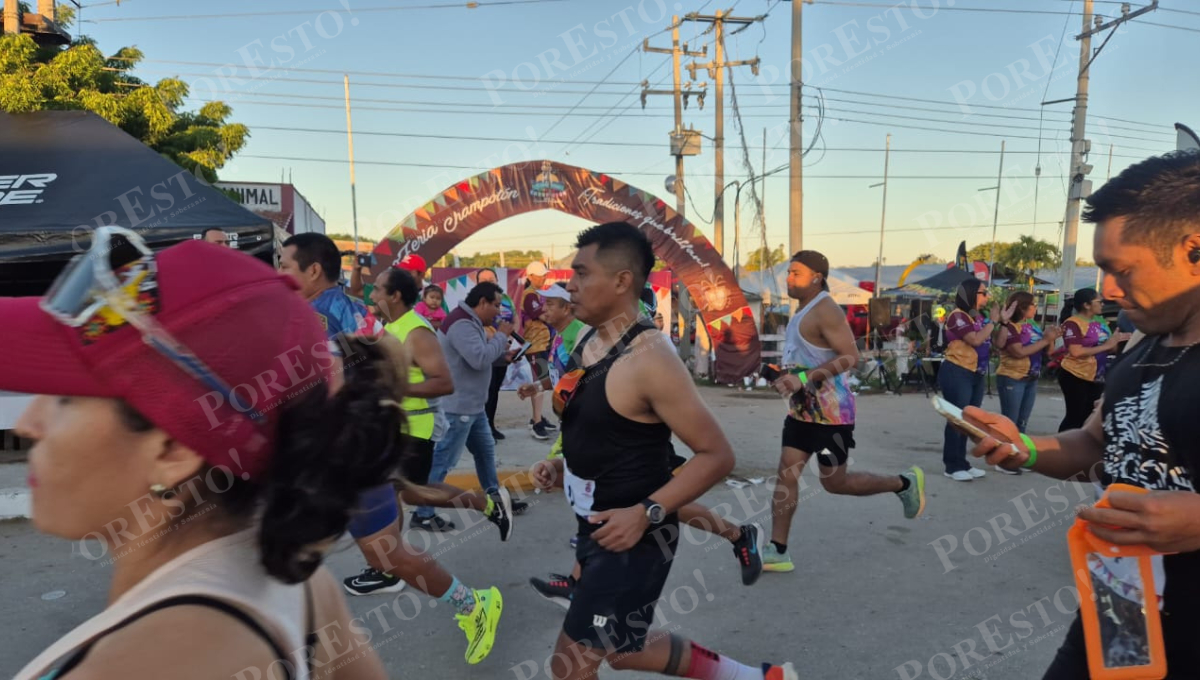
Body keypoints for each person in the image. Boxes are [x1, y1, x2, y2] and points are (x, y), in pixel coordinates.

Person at [6, 232, 394, 680]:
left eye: (64, 399)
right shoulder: (301, 586)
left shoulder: (141, 666)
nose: (27, 425)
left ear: (173, 450)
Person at [966, 150, 1200, 678]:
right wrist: (1024, 448)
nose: (1108, 289)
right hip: (1120, 610)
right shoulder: (1142, 346)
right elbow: (1095, 445)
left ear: (1194, 250)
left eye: (1122, 270)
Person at [530, 221, 797, 680]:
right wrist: (563, 465)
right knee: (623, 650)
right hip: (597, 527)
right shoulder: (591, 341)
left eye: (581, 273)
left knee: (569, 666)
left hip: (633, 539)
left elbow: (717, 455)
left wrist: (645, 514)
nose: (570, 285)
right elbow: (607, 428)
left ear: (621, 281)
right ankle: (758, 677)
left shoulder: (651, 359)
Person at [280, 234, 504, 664]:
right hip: (342, 447)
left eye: (284, 265)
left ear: (313, 270)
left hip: (347, 449)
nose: (278, 273)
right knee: (319, 546)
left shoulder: (326, 314)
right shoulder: (341, 311)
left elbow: (359, 372)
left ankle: (474, 604)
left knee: (383, 551)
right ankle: (297, 643)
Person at [337, 268, 513, 592]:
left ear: (395, 296)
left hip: (417, 426)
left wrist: (392, 388)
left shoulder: (417, 332)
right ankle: (388, 568)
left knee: (410, 492)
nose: (373, 295)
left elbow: (444, 383)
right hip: (394, 424)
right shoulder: (389, 326)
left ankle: (485, 505)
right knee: (396, 491)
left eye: (379, 290)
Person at [762, 250, 925, 573]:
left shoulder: (826, 309)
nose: (788, 278)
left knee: (835, 482)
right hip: (802, 413)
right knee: (786, 473)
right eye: (789, 272)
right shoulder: (801, 310)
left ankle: (903, 483)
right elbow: (808, 360)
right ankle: (778, 549)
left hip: (831, 417)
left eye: (796, 273)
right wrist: (786, 376)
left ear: (816, 278)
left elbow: (851, 356)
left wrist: (803, 378)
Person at [412, 282, 515, 532]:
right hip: (458, 408)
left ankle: (495, 499)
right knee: (443, 461)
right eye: (496, 305)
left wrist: (501, 355)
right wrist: (501, 336)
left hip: (472, 407)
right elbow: (478, 358)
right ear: (482, 303)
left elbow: (476, 356)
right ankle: (423, 513)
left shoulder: (469, 321)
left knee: (485, 453)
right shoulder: (461, 324)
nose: (498, 311)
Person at [937, 278, 998, 481]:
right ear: (971, 294)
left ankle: (962, 462)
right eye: (983, 293)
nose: (987, 296)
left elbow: (987, 341)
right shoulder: (958, 316)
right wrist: (993, 322)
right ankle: (952, 466)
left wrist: (1000, 321)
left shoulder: (978, 317)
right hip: (957, 371)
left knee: (969, 420)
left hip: (975, 372)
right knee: (957, 419)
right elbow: (975, 339)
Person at [993, 292, 1060, 475]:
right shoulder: (1010, 327)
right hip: (1012, 377)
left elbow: (1047, 351)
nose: (1036, 307)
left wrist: (1051, 338)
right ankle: (1003, 459)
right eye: (1033, 304)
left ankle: (1017, 456)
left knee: (1022, 422)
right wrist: (1045, 340)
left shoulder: (1032, 325)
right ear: (1022, 308)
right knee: (1010, 422)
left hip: (1031, 378)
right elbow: (1018, 352)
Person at [1057, 287, 1129, 432]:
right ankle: (1062, 443)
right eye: (1099, 301)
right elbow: (1075, 352)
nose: (1102, 304)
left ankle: (1081, 444)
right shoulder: (1073, 323)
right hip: (1075, 374)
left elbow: (1108, 347)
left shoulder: (1100, 322)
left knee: (1090, 415)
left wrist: (1119, 342)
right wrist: (1107, 345)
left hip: (1096, 375)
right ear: (1086, 305)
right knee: (1075, 416)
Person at [519, 261, 556, 440]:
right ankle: (536, 422)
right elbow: (544, 316)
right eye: (540, 275)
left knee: (541, 383)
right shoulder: (530, 295)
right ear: (530, 276)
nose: (544, 278)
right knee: (540, 383)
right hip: (535, 345)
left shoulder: (537, 294)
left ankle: (537, 417)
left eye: (544, 275)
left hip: (542, 344)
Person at [478, 268, 512, 441]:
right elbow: (480, 328)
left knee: (495, 391)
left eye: (491, 279)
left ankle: (490, 425)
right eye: (484, 280)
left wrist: (510, 339)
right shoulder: (476, 303)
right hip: (487, 351)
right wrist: (499, 338)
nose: (489, 282)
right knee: (487, 391)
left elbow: (514, 320)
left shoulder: (506, 300)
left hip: (502, 351)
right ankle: (483, 430)